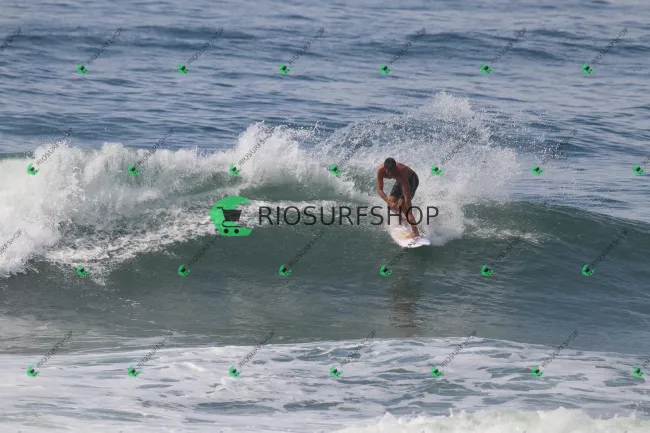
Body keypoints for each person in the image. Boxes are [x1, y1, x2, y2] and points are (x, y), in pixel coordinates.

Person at [376, 157, 420, 238]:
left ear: (395, 168)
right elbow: (379, 190)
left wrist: (409, 213)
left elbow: (407, 197)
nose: (390, 174)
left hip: (411, 180)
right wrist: (389, 202)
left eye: (392, 172)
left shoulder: (400, 173)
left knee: (403, 205)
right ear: (385, 169)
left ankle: (415, 231)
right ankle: (403, 219)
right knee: (391, 206)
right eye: (389, 172)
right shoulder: (380, 171)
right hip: (399, 181)